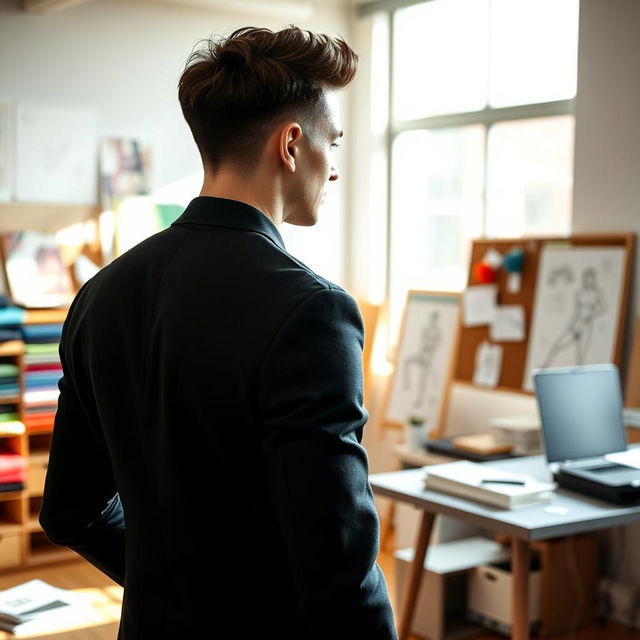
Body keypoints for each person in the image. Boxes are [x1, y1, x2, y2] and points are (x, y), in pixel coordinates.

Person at [40, 25, 398, 640]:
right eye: (331, 145)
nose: (333, 169)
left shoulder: (99, 295)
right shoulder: (312, 310)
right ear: (291, 145)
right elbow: (338, 564)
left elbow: (70, 510)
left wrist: (172, 586)